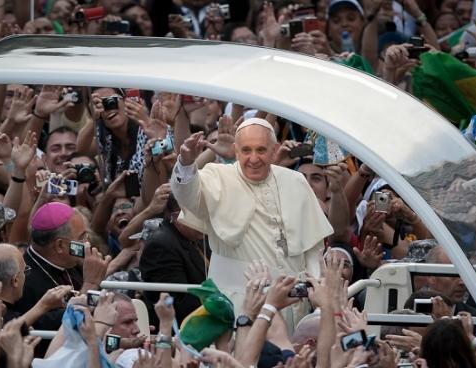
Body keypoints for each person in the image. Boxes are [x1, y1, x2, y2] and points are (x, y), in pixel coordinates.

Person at [171, 118, 332, 330]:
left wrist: (319, 300)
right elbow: (187, 197)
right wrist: (185, 163)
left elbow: (312, 249)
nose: (253, 158)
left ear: (275, 150)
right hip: (238, 303)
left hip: (291, 306)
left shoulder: (296, 181)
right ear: (235, 151)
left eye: (261, 150)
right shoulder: (217, 176)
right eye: (246, 150)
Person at [16, 202, 110, 330]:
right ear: (60, 245)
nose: (87, 243)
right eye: (82, 238)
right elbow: (63, 330)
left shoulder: (72, 264)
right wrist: (90, 284)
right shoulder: (23, 279)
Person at [139, 195, 206, 326]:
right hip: (184, 330)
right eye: (198, 215)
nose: (204, 220)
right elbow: (180, 304)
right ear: (176, 217)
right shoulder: (161, 246)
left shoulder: (199, 238)